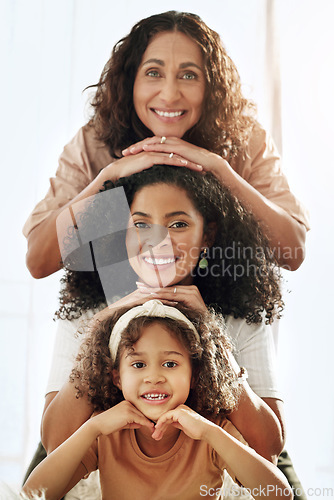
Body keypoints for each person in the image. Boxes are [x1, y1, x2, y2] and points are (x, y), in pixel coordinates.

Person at [23, 11, 309, 279]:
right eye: (153, 73)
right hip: (118, 316)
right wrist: (108, 177)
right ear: (130, 81)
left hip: (221, 318)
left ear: (210, 88)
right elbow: (39, 261)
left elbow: (292, 252)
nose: (170, 95)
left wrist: (221, 170)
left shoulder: (245, 140)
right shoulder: (94, 142)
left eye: (189, 75)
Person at [22, 300, 293, 500]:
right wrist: (92, 428)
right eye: (138, 365)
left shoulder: (211, 430)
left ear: (195, 373)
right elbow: (35, 494)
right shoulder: (105, 433)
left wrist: (210, 433)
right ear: (117, 377)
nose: (154, 377)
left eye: (170, 363)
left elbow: (279, 494)